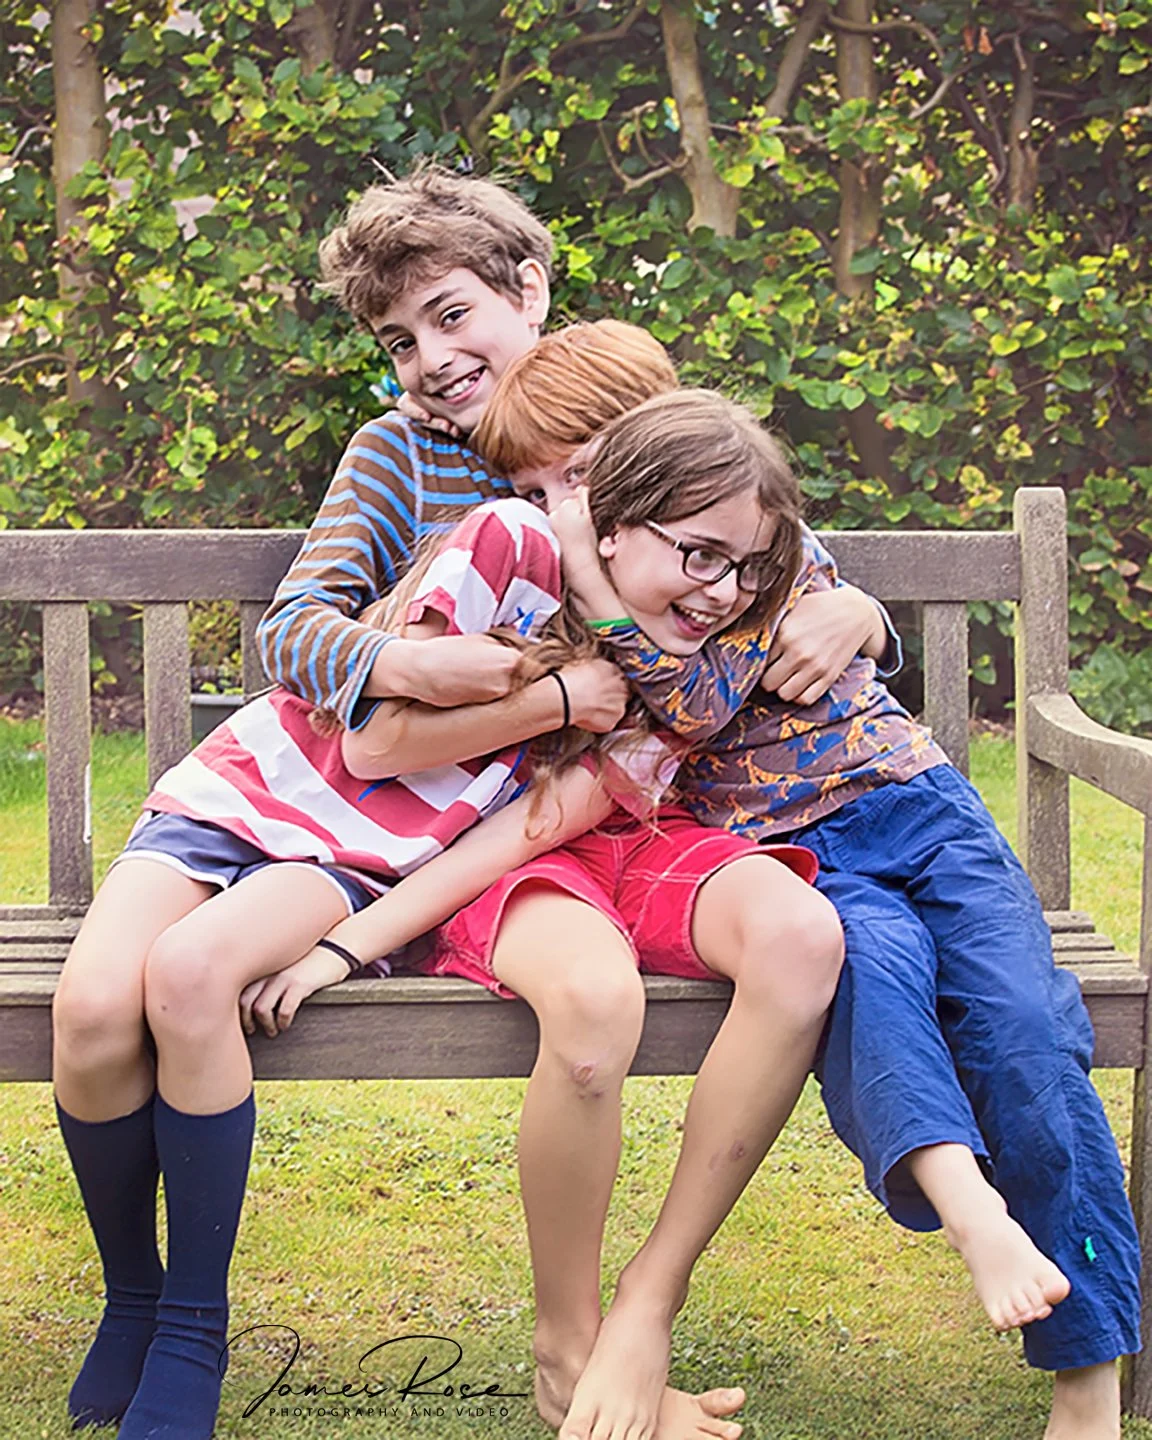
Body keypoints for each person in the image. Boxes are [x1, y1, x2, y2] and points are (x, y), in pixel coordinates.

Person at [508, 421, 1142, 1439]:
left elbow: (741, 646)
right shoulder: (625, 584)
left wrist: (856, 611)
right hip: (800, 858)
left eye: (747, 562)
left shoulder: (767, 551)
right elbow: (699, 704)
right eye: (703, 557)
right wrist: (585, 568)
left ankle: (1089, 1374)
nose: (726, 583)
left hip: (920, 808)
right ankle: (975, 1217)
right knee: (876, 984)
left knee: (1028, 1027)